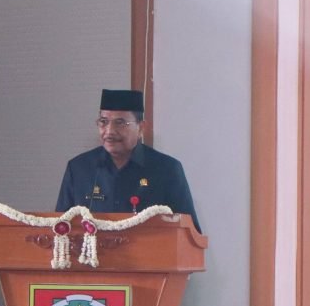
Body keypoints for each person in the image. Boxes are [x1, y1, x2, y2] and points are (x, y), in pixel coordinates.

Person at [56, 89, 202, 232]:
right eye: (103, 122)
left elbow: (190, 233)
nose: (109, 131)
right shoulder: (79, 169)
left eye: (120, 123)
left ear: (141, 128)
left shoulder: (167, 169)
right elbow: (60, 227)